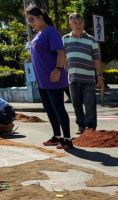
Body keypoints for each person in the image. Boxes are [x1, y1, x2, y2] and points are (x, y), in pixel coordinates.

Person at [25, 6, 72, 149]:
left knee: (58, 108)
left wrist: (58, 69)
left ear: (40, 17)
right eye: (28, 20)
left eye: (32, 19)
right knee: (49, 109)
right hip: (42, 80)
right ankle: (57, 136)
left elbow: (61, 53)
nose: (30, 23)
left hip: (53, 78)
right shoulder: (39, 34)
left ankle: (67, 139)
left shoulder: (51, 32)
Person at [63, 13, 105, 134]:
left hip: (88, 79)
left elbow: (97, 59)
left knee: (90, 104)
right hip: (73, 78)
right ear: (70, 24)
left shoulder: (91, 40)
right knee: (76, 104)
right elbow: (61, 56)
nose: (78, 25)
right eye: (75, 23)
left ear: (83, 24)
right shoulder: (65, 39)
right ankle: (81, 126)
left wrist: (100, 77)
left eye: (80, 22)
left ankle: (91, 128)